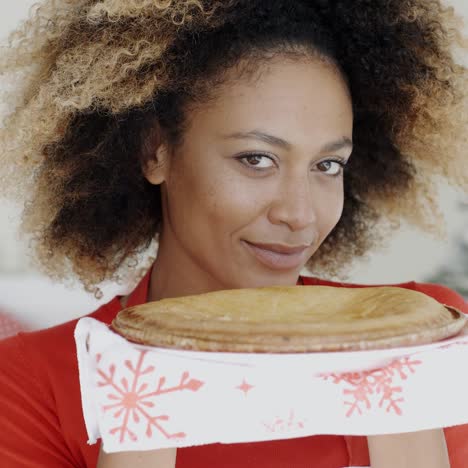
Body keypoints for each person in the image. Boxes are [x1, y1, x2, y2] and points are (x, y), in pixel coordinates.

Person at [0, 0, 467, 466]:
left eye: (328, 165)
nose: (299, 214)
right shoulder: (34, 383)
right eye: (256, 159)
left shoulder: (430, 338)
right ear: (154, 151)